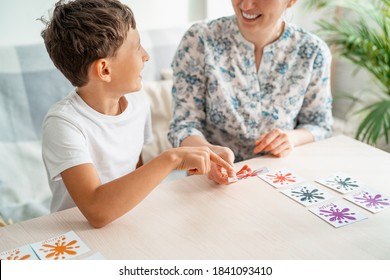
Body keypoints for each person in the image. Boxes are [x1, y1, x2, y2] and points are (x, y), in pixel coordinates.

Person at [40, 0, 235, 228]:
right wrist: (172, 158)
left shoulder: (138, 102)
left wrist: (205, 159)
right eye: (137, 47)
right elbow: (96, 211)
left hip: (125, 223)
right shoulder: (63, 123)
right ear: (104, 70)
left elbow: (136, 173)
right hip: (77, 235)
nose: (146, 56)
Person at [168, 0, 333, 184]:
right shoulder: (199, 40)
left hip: (281, 178)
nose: (245, 5)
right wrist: (210, 154)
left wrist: (291, 139)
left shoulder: (313, 51)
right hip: (210, 180)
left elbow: (320, 125)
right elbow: (183, 125)